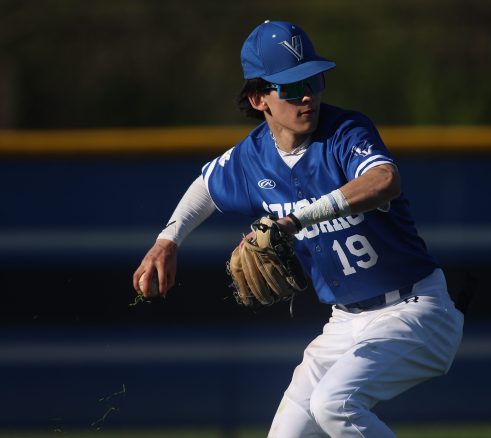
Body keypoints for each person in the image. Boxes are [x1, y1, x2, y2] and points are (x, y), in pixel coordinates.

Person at [133, 20, 464, 438]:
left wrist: (298, 219)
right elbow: (205, 187)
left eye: (314, 79)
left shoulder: (346, 132)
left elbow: (384, 181)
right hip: (345, 322)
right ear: (258, 98)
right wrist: (168, 240)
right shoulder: (251, 158)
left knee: (335, 405)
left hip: (415, 310)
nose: (307, 95)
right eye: (290, 87)